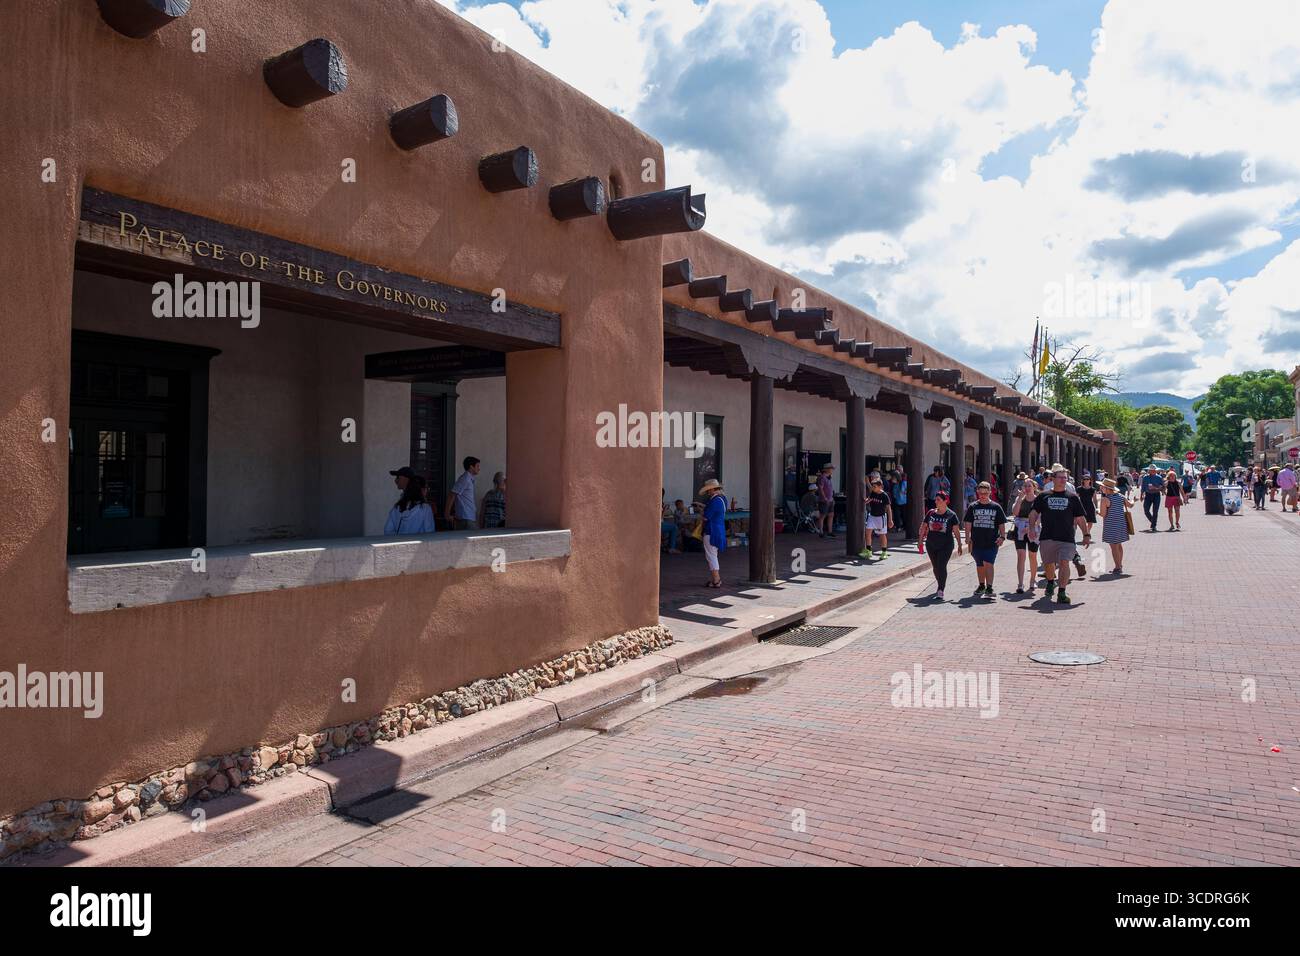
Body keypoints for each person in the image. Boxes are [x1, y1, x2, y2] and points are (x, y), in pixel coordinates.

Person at [1027, 463, 1091, 605]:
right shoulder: (1044, 496)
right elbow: (1033, 514)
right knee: (1049, 565)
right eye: (1060, 477)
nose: (1063, 480)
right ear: (1053, 479)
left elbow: (1080, 518)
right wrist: (1031, 528)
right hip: (1047, 536)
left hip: (1067, 537)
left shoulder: (1072, 497)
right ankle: (1051, 582)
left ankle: (1062, 592)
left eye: (1065, 478)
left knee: (1064, 563)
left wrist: (1086, 534)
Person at [964, 481, 1007, 599]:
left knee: (989, 563)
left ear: (989, 492)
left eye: (985, 493)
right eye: (981, 493)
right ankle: (981, 585)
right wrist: (967, 537)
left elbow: (1001, 523)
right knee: (979, 564)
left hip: (992, 541)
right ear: (977, 492)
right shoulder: (973, 506)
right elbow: (968, 522)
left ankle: (989, 587)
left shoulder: (996, 507)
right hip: (976, 541)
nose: (983, 495)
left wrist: (1002, 536)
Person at [923, 491, 962, 601]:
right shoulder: (931, 513)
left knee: (941, 566)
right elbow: (924, 526)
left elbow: (956, 531)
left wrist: (959, 544)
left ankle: (941, 589)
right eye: (935, 500)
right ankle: (940, 582)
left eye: (938, 500)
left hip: (946, 545)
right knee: (935, 567)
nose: (936, 502)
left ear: (945, 501)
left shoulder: (951, 515)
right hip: (931, 544)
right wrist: (920, 540)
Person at [1009, 478, 1039, 593]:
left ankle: (1032, 580)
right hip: (1020, 527)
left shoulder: (1037, 500)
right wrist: (1020, 499)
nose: (1026, 488)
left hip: (1033, 528)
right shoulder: (1019, 498)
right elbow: (1015, 513)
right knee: (1021, 555)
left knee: (1032, 555)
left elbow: (1040, 517)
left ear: (1034, 487)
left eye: (1029, 486)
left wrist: (1031, 527)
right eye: (1025, 486)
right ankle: (1020, 583)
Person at [384, 466, 435, 534]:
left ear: (406, 479)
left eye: (398, 477)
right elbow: (430, 534)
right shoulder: (425, 508)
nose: (395, 481)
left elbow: (388, 530)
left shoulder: (397, 507)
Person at [698, 478, 728, 588]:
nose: (707, 492)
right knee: (713, 555)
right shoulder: (722, 499)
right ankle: (716, 579)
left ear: (712, 490)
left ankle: (716, 579)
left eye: (708, 490)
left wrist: (701, 511)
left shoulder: (714, 501)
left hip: (711, 531)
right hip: (719, 530)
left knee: (711, 556)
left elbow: (706, 517)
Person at [1097, 477, 1131, 573]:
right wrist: (1134, 500)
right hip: (1121, 523)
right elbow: (1130, 505)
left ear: (1107, 488)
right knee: (1119, 545)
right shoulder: (1120, 496)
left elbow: (1103, 514)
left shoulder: (1105, 499)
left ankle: (1117, 567)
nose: (1101, 488)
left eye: (1102, 487)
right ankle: (1119, 564)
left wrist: (1097, 511)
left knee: (1114, 547)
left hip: (1111, 524)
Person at [860, 476, 894, 559]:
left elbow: (889, 509)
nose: (873, 488)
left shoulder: (884, 496)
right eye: (873, 486)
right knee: (867, 532)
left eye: (874, 486)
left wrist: (890, 520)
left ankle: (884, 552)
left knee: (882, 535)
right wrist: (865, 500)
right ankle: (868, 551)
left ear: (880, 487)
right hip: (872, 516)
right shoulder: (873, 493)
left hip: (881, 517)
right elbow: (869, 500)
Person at [446, 456, 481, 530]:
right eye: (477, 466)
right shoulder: (465, 479)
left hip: (469, 517)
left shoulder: (469, 479)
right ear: (471, 467)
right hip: (465, 518)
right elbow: (452, 495)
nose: (479, 468)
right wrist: (447, 514)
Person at [1139, 464, 1164, 531]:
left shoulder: (1159, 477)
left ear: (1156, 471)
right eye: (1151, 470)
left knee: (1155, 511)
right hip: (1148, 495)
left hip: (1156, 495)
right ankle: (1153, 521)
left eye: (1154, 470)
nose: (1153, 471)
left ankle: (1153, 525)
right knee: (1146, 510)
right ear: (1149, 471)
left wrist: (1155, 488)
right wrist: (1141, 495)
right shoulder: (1145, 477)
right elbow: (1143, 487)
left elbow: (1162, 488)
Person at [816, 464, 836, 537]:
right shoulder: (822, 477)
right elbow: (820, 488)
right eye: (831, 469)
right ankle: (821, 532)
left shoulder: (829, 478)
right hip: (824, 500)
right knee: (822, 516)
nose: (832, 470)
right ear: (826, 469)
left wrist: (832, 499)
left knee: (831, 515)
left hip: (830, 500)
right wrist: (824, 498)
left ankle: (830, 532)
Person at [891, 468, 909, 538]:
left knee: (903, 515)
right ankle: (898, 526)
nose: (892, 479)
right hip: (898, 501)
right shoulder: (896, 484)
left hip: (903, 502)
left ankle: (903, 526)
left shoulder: (904, 483)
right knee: (897, 515)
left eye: (893, 477)